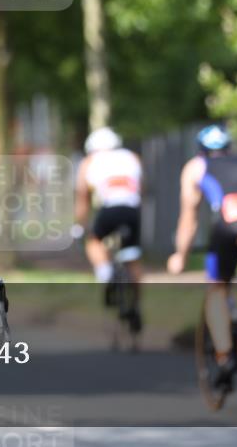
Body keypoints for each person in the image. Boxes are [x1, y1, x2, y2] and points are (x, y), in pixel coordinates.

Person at [166, 124, 237, 386]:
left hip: (228, 225)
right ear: (229, 148)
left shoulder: (195, 166)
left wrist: (180, 255)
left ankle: (225, 355)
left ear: (201, 150)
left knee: (217, 288)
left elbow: (189, 219)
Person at [75, 126, 144, 330]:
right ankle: (136, 305)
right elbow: (142, 187)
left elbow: (82, 199)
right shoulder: (132, 157)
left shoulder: (89, 162)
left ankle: (105, 274)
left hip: (109, 210)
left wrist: (81, 225)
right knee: (133, 257)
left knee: (93, 240)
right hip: (132, 210)